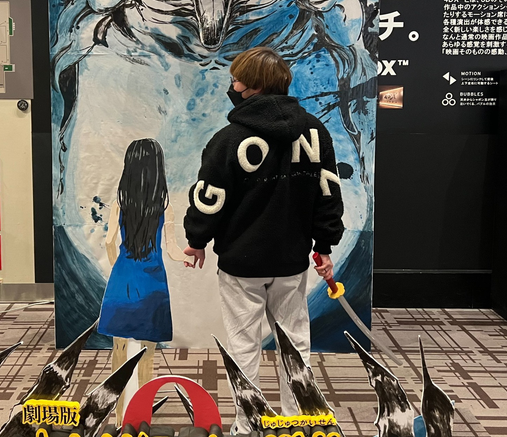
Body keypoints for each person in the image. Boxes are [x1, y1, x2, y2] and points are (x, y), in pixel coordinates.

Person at [183, 47, 344, 434]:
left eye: (236, 80)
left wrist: (196, 240)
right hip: (291, 262)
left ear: (252, 87)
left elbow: (210, 197)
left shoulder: (228, 140)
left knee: (243, 345)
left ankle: (248, 425)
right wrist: (324, 246)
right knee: (295, 343)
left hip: (241, 264)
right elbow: (328, 194)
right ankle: (298, 421)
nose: (232, 86)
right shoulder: (315, 133)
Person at [98, 138, 187, 423]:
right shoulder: (164, 207)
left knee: (119, 350)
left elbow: (109, 242)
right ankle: (141, 415)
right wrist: (186, 256)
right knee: (147, 353)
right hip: (153, 285)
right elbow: (171, 249)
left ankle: (119, 415)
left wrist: (120, 266)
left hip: (123, 279)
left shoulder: (119, 204)